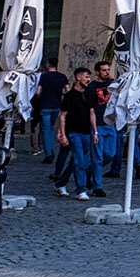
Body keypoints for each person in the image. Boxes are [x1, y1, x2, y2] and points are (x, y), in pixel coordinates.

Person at [57, 67, 103, 200]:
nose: (89, 80)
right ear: (78, 78)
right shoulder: (70, 96)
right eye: (86, 77)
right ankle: (81, 190)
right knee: (79, 160)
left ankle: (61, 183)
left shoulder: (89, 94)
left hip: (86, 133)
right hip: (73, 132)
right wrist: (62, 134)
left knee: (78, 161)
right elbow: (62, 116)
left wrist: (95, 132)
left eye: (89, 77)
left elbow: (92, 113)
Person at [35, 57, 67, 162]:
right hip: (57, 106)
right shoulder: (62, 76)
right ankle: (50, 148)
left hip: (45, 105)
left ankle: (48, 153)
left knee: (46, 130)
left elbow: (38, 92)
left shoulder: (44, 76)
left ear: (48, 64)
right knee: (52, 128)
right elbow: (67, 90)